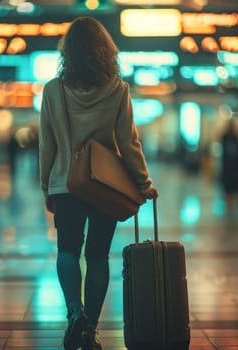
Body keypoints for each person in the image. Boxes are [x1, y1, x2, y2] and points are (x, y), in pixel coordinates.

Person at [39, 16, 157, 350]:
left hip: (65, 185)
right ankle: (90, 328)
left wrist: (47, 185)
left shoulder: (53, 91)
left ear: (68, 51)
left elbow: (47, 144)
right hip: (104, 187)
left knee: (67, 250)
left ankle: (73, 312)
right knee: (98, 256)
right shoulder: (118, 90)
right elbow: (129, 142)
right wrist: (144, 183)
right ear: (105, 50)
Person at [220, 118, 238, 210]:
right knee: (228, 185)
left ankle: (231, 202)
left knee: (232, 184)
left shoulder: (235, 138)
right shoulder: (226, 137)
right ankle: (228, 202)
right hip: (228, 166)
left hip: (234, 166)